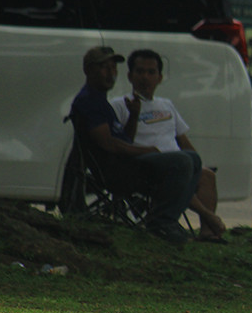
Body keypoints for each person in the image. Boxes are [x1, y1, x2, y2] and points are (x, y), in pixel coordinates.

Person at [69, 45, 200, 245]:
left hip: (128, 164)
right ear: (88, 70)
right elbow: (108, 144)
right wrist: (145, 150)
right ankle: (160, 222)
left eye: (113, 68)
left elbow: (124, 139)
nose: (110, 73)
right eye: (104, 68)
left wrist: (134, 116)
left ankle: (168, 219)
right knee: (181, 161)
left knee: (193, 159)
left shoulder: (101, 101)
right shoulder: (90, 102)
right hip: (119, 171)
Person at [110, 49, 227, 242]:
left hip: (180, 163)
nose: (145, 78)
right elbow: (122, 144)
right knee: (182, 166)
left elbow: (184, 141)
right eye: (140, 72)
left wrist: (197, 166)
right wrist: (134, 115)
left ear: (160, 77)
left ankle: (208, 232)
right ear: (130, 76)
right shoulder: (119, 105)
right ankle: (200, 217)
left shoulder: (167, 105)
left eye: (151, 72)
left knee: (205, 174)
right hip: (145, 166)